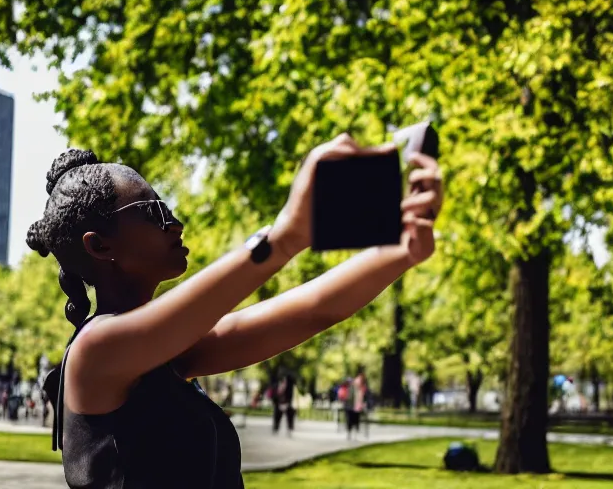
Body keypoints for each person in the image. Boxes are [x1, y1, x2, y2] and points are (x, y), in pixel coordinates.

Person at [29, 133, 443, 488]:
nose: (176, 223)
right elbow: (215, 300)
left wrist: (402, 250)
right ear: (99, 246)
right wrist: (284, 236)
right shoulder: (96, 351)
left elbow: (316, 310)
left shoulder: (165, 355)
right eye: (153, 212)